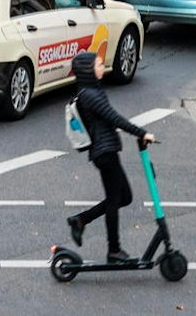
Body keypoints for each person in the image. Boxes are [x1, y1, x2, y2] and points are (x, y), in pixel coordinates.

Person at [63, 49, 156, 264]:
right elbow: (114, 118)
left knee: (125, 197)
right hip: (104, 153)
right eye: (98, 64)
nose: (101, 67)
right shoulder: (90, 95)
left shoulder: (91, 92)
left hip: (107, 151)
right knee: (116, 199)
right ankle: (113, 250)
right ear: (88, 70)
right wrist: (142, 133)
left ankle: (81, 220)